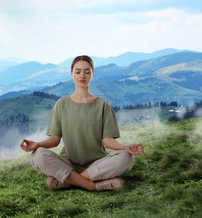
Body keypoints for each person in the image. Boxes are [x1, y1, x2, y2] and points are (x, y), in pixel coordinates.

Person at [20, 55, 144, 191]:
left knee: (126, 157)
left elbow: (108, 141)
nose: (82, 76)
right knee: (37, 155)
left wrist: (125, 147)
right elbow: (54, 140)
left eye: (87, 71)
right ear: (71, 73)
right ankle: (92, 185)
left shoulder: (103, 106)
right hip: (68, 162)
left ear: (92, 74)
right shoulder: (61, 104)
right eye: (78, 71)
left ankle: (70, 180)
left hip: (97, 163)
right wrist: (37, 144)